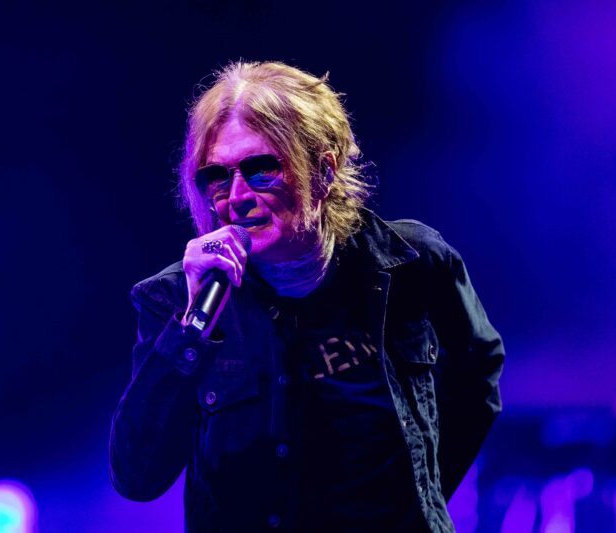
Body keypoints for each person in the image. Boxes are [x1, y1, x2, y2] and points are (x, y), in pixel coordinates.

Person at [109, 61, 505, 533]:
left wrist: (423, 497)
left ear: (323, 170)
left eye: (261, 169)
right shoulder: (177, 299)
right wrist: (191, 330)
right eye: (217, 176)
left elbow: (477, 375)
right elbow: (136, 476)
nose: (236, 196)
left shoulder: (413, 264)